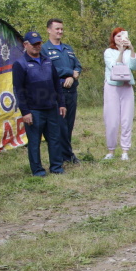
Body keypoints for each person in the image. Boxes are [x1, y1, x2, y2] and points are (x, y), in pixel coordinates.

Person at [12, 31, 67, 177]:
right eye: (34, 44)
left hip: (51, 108)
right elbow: (19, 90)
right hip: (34, 110)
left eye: (39, 43)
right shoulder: (20, 64)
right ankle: (37, 170)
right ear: (25, 44)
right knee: (34, 142)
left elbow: (56, 83)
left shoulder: (48, 60)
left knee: (55, 139)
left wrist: (61, 103)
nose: (37, 46)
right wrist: (25, 112)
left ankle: (56, 167)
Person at [42, 18, 82, 164]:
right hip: (56, 92)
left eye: (61, 29)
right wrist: (69, 72)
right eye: (57, 29)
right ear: (48, 30)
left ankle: (66, 155)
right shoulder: (44, 49)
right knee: (60, 126)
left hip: (71, 92)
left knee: (69, 125)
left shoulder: (68, 48)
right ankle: (65, 156)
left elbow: (78, 66)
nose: (60, 31)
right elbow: (47, 68)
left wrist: (74, 73)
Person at [103, 27, 136, 160]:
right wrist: (121, 52)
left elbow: (134, 66)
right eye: (117, 36)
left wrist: (131, 49)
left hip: (127, 87)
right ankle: (111, 150)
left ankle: (125, 151)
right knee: (112, 120)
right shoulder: (109, 52)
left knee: (126, 120)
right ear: (113, 38)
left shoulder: (129, 52)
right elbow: (113, 66)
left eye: (122, 36)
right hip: (112, 87)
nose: (120, 38)